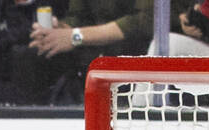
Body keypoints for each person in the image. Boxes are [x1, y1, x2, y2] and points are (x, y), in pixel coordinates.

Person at [23, 0, 153, 103]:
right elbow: (78, 17)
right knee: (29, 55)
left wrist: (75, 36)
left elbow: (144, 20)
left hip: (137, 58)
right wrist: (59, 30)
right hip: (93, 59)